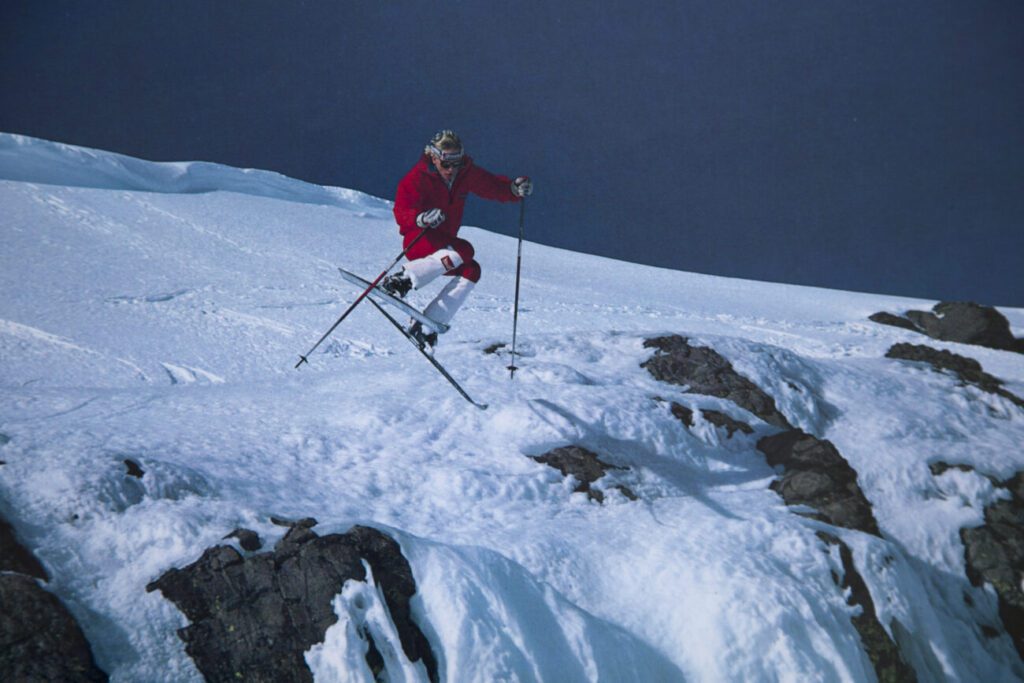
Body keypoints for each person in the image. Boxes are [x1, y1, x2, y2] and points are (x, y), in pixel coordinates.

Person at [381, 130, 533, 349]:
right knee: (464, 249)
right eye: (446, 163)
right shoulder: (417, 178)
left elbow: (492, 186)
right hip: (420, 240)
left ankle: (427, 325)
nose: (451, 169)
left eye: (457, 162)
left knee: (472, 269)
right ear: (433, 157)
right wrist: (420, 218)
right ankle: (400, 281)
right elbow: (402, 211)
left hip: (445, 249)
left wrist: (513, 189)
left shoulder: (464, 174)